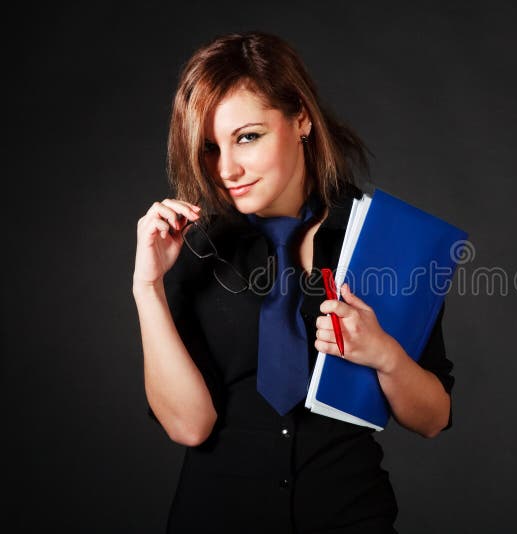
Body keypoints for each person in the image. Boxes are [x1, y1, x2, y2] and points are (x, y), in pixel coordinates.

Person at [132, 31, 454, 533]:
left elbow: (433, 418)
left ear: (300, 117)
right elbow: (188, 425)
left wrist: (383, 354)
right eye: (212, 148)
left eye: (248, 137)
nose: (228, 169)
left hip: (348, 516)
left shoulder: (382, 238)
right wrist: (146, 287)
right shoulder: (193, 250)